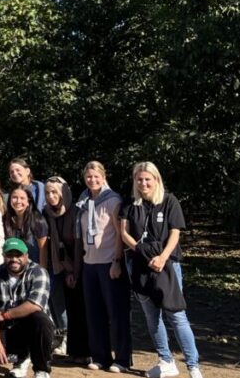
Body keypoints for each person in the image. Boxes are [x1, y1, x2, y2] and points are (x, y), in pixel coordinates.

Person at [120, 162, 203, 378]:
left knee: (176, 315)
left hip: (167, 263)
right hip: (139, 264)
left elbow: (175, 233)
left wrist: (163, 257)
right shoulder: (130, 203)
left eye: (147, 179)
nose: (143, 183)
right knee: (151, 316)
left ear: (156, 179)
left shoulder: (169, 200)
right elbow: (124, 232)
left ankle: (193, 365)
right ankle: (165, 360)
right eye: (139, 179)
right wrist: (139, 250)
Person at [75, 161, 132, 373]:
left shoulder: (113, 200)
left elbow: (120, 234)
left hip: (109, 263)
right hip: (90, 263)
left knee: (116, 313)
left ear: (104, 175)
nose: (92, 180)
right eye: (88, 177)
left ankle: (122, 359)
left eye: (96, 176)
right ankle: (100, 356)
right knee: (94, 313)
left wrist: (117, 261)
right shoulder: (84, 200)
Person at [0, 238, 54, 378]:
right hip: (8, 328)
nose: (14, 259)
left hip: (31, 327)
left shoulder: (39, 272)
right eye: (9, 255)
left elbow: (35, 304)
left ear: (26, 256)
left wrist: (5, 314)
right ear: (3, 256)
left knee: (42, 320)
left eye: (18, 255)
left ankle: (41, 369)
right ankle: (20, 359)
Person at [42, 177, 90, 363]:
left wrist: (74, 272)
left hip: (81, 263)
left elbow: (79, 245)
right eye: (47, 193)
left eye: (55, 192)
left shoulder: (76, 212)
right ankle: (74, 350)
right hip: (60, 263)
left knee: (80, 308)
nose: (51, 196)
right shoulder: (47, 213)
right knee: (67, 307)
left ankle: (87, 351)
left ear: (64, 193)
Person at [4, 187, 48, 265]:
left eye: (22, 198)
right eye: (14, 197)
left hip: (34, 268)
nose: (18, 201)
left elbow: (43, 249)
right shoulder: (6, 220)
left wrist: (42, 271)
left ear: (28, 202)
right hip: (14, 268)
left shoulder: (37, 220)